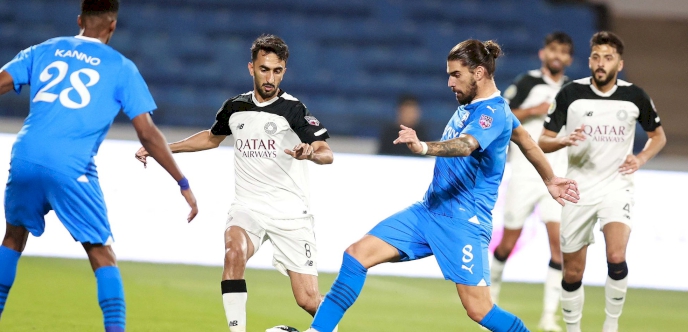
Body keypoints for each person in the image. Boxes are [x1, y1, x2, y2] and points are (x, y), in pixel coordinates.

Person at [306, 39, 580, 332]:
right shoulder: (476, 105)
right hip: (429, 210)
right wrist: (550, 179)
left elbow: (465, 145)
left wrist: (423, 147)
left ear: (478, 73)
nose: (449, 82)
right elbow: (525, 139)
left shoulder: (492, 112)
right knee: (356, 255)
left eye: (455, 74)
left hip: (464, 222)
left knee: (479, 309)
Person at [0, 1, 198, 331]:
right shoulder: (121, 68)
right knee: (101, 253)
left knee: (12, 238)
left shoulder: (44, 49)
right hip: (70, 165)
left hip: (25, 154)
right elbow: (147, 133)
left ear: (80, 20)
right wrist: (182, 182)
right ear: (112, 26)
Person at [134, 34, 335, 332]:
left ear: (284, 72)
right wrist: (162, 147)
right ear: (251, 68)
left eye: (277, 71)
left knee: (307, 300)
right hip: (248, 207)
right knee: (233, 253)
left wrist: (310, 153)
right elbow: (211, 138)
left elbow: (326, 152)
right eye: (264, 69)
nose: (270, 77)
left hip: (290, 213)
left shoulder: (293, 109)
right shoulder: (235, 107)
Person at [539, 31, 666, 332]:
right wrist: (563, 140)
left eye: (608, 58)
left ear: (619, 64)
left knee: (616, 255)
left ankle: (611, 325)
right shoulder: (571, 94)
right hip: (577, 190)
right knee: (572, 272)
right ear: (589, 61)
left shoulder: (635, 96)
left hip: (616, 187)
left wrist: (641, 159)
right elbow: (542, 141)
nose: (601, 63)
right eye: (596, 57)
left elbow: (658, 136)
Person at [490, 31, 574, 332]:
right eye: (553, 50)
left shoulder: (571, 90)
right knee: (507, 243)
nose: (557, 56)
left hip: (557, 174)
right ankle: (490, 301)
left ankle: (549, 317)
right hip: (525, 172)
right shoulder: (528, 82)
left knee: (559, 246)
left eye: (563, 52)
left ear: (569, 59)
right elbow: (500, 113)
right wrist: (533, 111)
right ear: (543, 54)